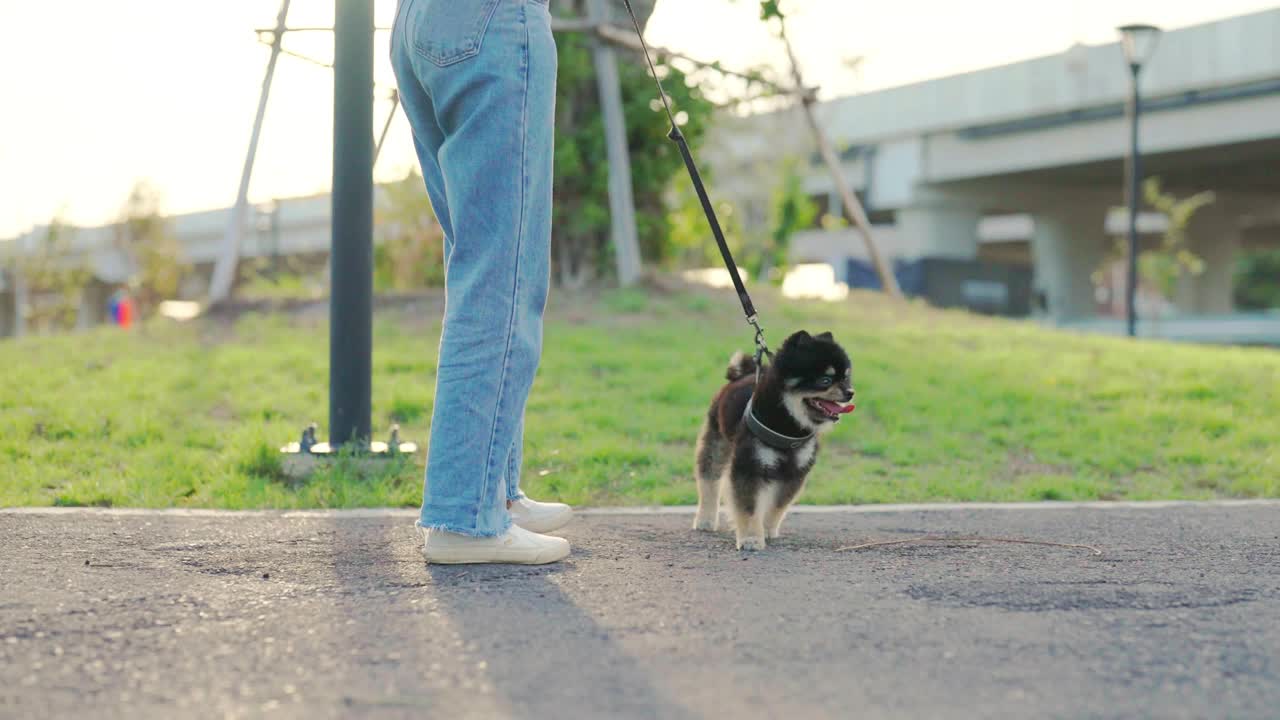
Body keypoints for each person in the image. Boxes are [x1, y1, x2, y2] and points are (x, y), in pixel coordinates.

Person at [390, 0, 571, 564]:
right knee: (501, 276)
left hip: (419, 23)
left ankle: (494, 494)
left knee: (480, 264)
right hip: (493, 21)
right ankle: (466, 520)